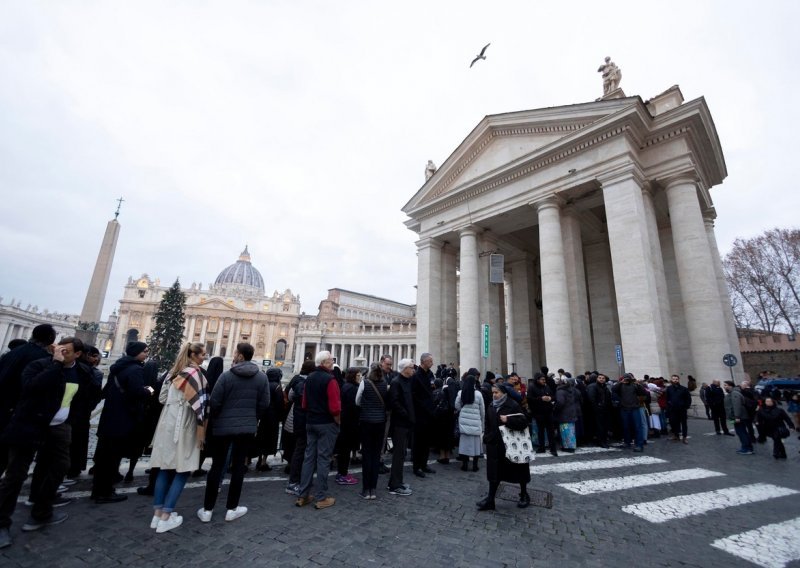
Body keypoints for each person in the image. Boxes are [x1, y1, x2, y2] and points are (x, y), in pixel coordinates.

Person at [0, 337, 96, 549]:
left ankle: (41, 511)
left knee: (59, 466)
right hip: (30, 423)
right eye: (59, 348)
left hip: (60, 427)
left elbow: (84, 397)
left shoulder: (81, 372)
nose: (61, 352)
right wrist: (56, 364)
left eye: (67, 351)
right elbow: (31, 387)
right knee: (16, 474)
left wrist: (72, 419)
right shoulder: (39, 365)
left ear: (78, 354)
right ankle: (1, 523)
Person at [198, 342, 269, 523]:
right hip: (247, 428)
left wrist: (221, 418)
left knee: (217, 466)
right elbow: (264, 404)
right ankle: (232, 509)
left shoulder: (226, 376)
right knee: (239, 468)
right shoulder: (261, 378)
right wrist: (253, 417)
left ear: (239, 355)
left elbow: (215, 402)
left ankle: (207, 510)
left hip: (223, 428)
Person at [148, 342, 209, 533]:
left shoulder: (172, 373)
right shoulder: (196, 375)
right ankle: (167, 516)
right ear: (194, 355)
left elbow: (161, 398)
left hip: (166, 422)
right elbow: (201, 405)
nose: (204, 358)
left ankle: (157, 516)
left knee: (165, 468)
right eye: (202, 355)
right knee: (183, 469)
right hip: (184, 424)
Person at [92, 341, 154, 504]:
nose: (147, 353)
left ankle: (98, 490)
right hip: (123, 419)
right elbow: (136, 392)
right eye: (145, 351)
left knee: (105, 456)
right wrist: (149, 391)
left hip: (110, 416)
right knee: (112, 457)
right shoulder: (135, 370)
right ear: (136, 353)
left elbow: (107, 391)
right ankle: (105, 492)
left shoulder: (117, 367)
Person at [0, 324, 57, 475]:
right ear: (50, 339)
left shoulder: (11, 353)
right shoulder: (41, 359)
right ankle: (8, 494)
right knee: (18, 462)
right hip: (23, 413)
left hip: (4, 408)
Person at [295, 351, 340, 510]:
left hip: (310, 422)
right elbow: (335, 408)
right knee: (323, 459)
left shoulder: (310, 378)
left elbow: (304, 403)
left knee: (308, 459)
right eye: (331, 361)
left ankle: (303, 494)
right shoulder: (330, 380)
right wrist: (337, 422)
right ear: (325, 363)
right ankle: (321, 497)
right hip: (326, 423)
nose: (333, 363)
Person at [478, 384, 531, 511]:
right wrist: (486, 437)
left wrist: (508, 420)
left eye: (497, 392)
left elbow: (523, 422)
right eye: (493, 393)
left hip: (510, 446)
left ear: (504, 393)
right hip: (494, 445)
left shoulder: (512, 405)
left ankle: (524, 494)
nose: (494, 395)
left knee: (518, 471)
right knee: (494, 474)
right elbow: (487, 422)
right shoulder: (491, 405)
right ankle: (490, 500)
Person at [66, 346, 104, 479]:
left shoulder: (69, 368)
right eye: (94, 356)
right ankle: (73, 469)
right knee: (76, 442)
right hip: (80, 413)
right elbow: (96, 394)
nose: (96, 359)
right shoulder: (94, 373)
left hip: (69, 412)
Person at [356, 364, 388, 499]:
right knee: (376, 455)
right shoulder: (385, 384)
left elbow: (357, 401)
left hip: (366, 422)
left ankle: (366, 489)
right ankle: (373, 489)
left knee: (367, 455)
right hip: (380, 422)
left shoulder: (364, 383)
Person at [284, 360, 315, 496]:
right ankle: (295, 481)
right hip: (306, 419)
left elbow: (289, 396)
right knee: (303, 449)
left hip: (295, 417)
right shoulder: (310, 383)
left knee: (299, 448)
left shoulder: (295, 379)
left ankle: (297, 479)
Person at [387, 359, 416, 496]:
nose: (413, 369)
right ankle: (395, 485)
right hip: (400, 423)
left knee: (402, 454)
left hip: (406, 422)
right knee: (398, 455)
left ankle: (397, 481)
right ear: (405, 368)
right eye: (411, 367)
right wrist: (406, 415)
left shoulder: (406, 381)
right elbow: (394, 402)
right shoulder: (396, 382)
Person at [411, 353, 437, 478]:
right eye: (430, 361)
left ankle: (424, 464)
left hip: (429, 413)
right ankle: (417, 467)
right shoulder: (416, 375)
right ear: (424, 361)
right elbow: (415, 395)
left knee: (426, 441)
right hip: (420, 413)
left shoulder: (429, 374)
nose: (432, 363)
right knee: (419, 442)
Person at [334, 367, 360, 486]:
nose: (360, 377)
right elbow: (353, 407)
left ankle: (342, 472)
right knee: (345, 449)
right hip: (349, 423)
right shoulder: (352, 388)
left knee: (344, 449)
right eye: (358, 375)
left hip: (345, 422)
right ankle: (342, 474)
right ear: (353, 376)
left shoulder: (345, 386)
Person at [254, 367, 284, 472]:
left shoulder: (264, 385)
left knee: (260, 437)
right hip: (273, 417)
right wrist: (281, 417)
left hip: (262, 415)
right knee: (269, 439)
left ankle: (258, 459)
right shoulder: (277, 387)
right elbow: (280, 404)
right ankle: (263, 462)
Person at [454, 375, 484, 472]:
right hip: (475, 420)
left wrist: (462, 410)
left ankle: (465, 465)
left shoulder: (461, 392)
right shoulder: (478, 394)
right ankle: (475, 465)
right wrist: (482, 422)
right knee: (476, 444)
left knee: (464, 443)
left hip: (464, 420)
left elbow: (456, 405)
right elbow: (482, 410)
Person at [613, 373, 647, 452]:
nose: (627, 380)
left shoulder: (635, 385)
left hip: (635, 408)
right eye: (626, 378)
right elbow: (613, 389)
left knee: (638, 427)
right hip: (624, 408)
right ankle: (627, 442)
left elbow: (643, 393)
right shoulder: (620, 385)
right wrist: (621, 382)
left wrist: (638, 384)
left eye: (628, 378)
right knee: (625, 426)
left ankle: (639, 445)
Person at [724, 380, 753, 455]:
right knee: (740, 432)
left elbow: (737, 406)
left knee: (741, 432)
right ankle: (747, 447)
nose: (724, 387)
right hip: (734, 417)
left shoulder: (734, 394)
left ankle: (746, 448)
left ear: (730, 386)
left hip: (738, 417)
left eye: (726, 385)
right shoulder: (732, 393)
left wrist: (737, 417)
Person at [554, 376, 581, 453]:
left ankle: (568, 447)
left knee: (565, 431)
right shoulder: (571, 390)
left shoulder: (560, 391)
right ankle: (571, 445)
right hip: (571, 412)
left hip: (564, 414)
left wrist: (555, 409)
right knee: (571, 431)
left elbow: (560, 402)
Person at [586, 374, 613, 448]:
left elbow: (607, 398)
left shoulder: (605, 387)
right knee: (599, 426)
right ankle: (601, 441)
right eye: (600, 378)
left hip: (604, 410)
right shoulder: (593, 386)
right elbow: (591, 399)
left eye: (603, 378)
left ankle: (602, 440)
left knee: (603, 426)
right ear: (597, 379)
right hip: (597, 410)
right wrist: (597, 407)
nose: (601, 379)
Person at [665, 375, 692, 444]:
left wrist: (686, 406)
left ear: (678, 380)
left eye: (676, 379)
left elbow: (688, 399)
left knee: (684, 424)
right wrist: (669, 406)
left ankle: (684, 437)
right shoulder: (669, 389)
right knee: (674, 423)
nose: (675, 380)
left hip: (682, 409)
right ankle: (676, 435)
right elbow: (667, 399)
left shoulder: (684, 389)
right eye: (673, 379)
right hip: (673, 409)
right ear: (671, 380)